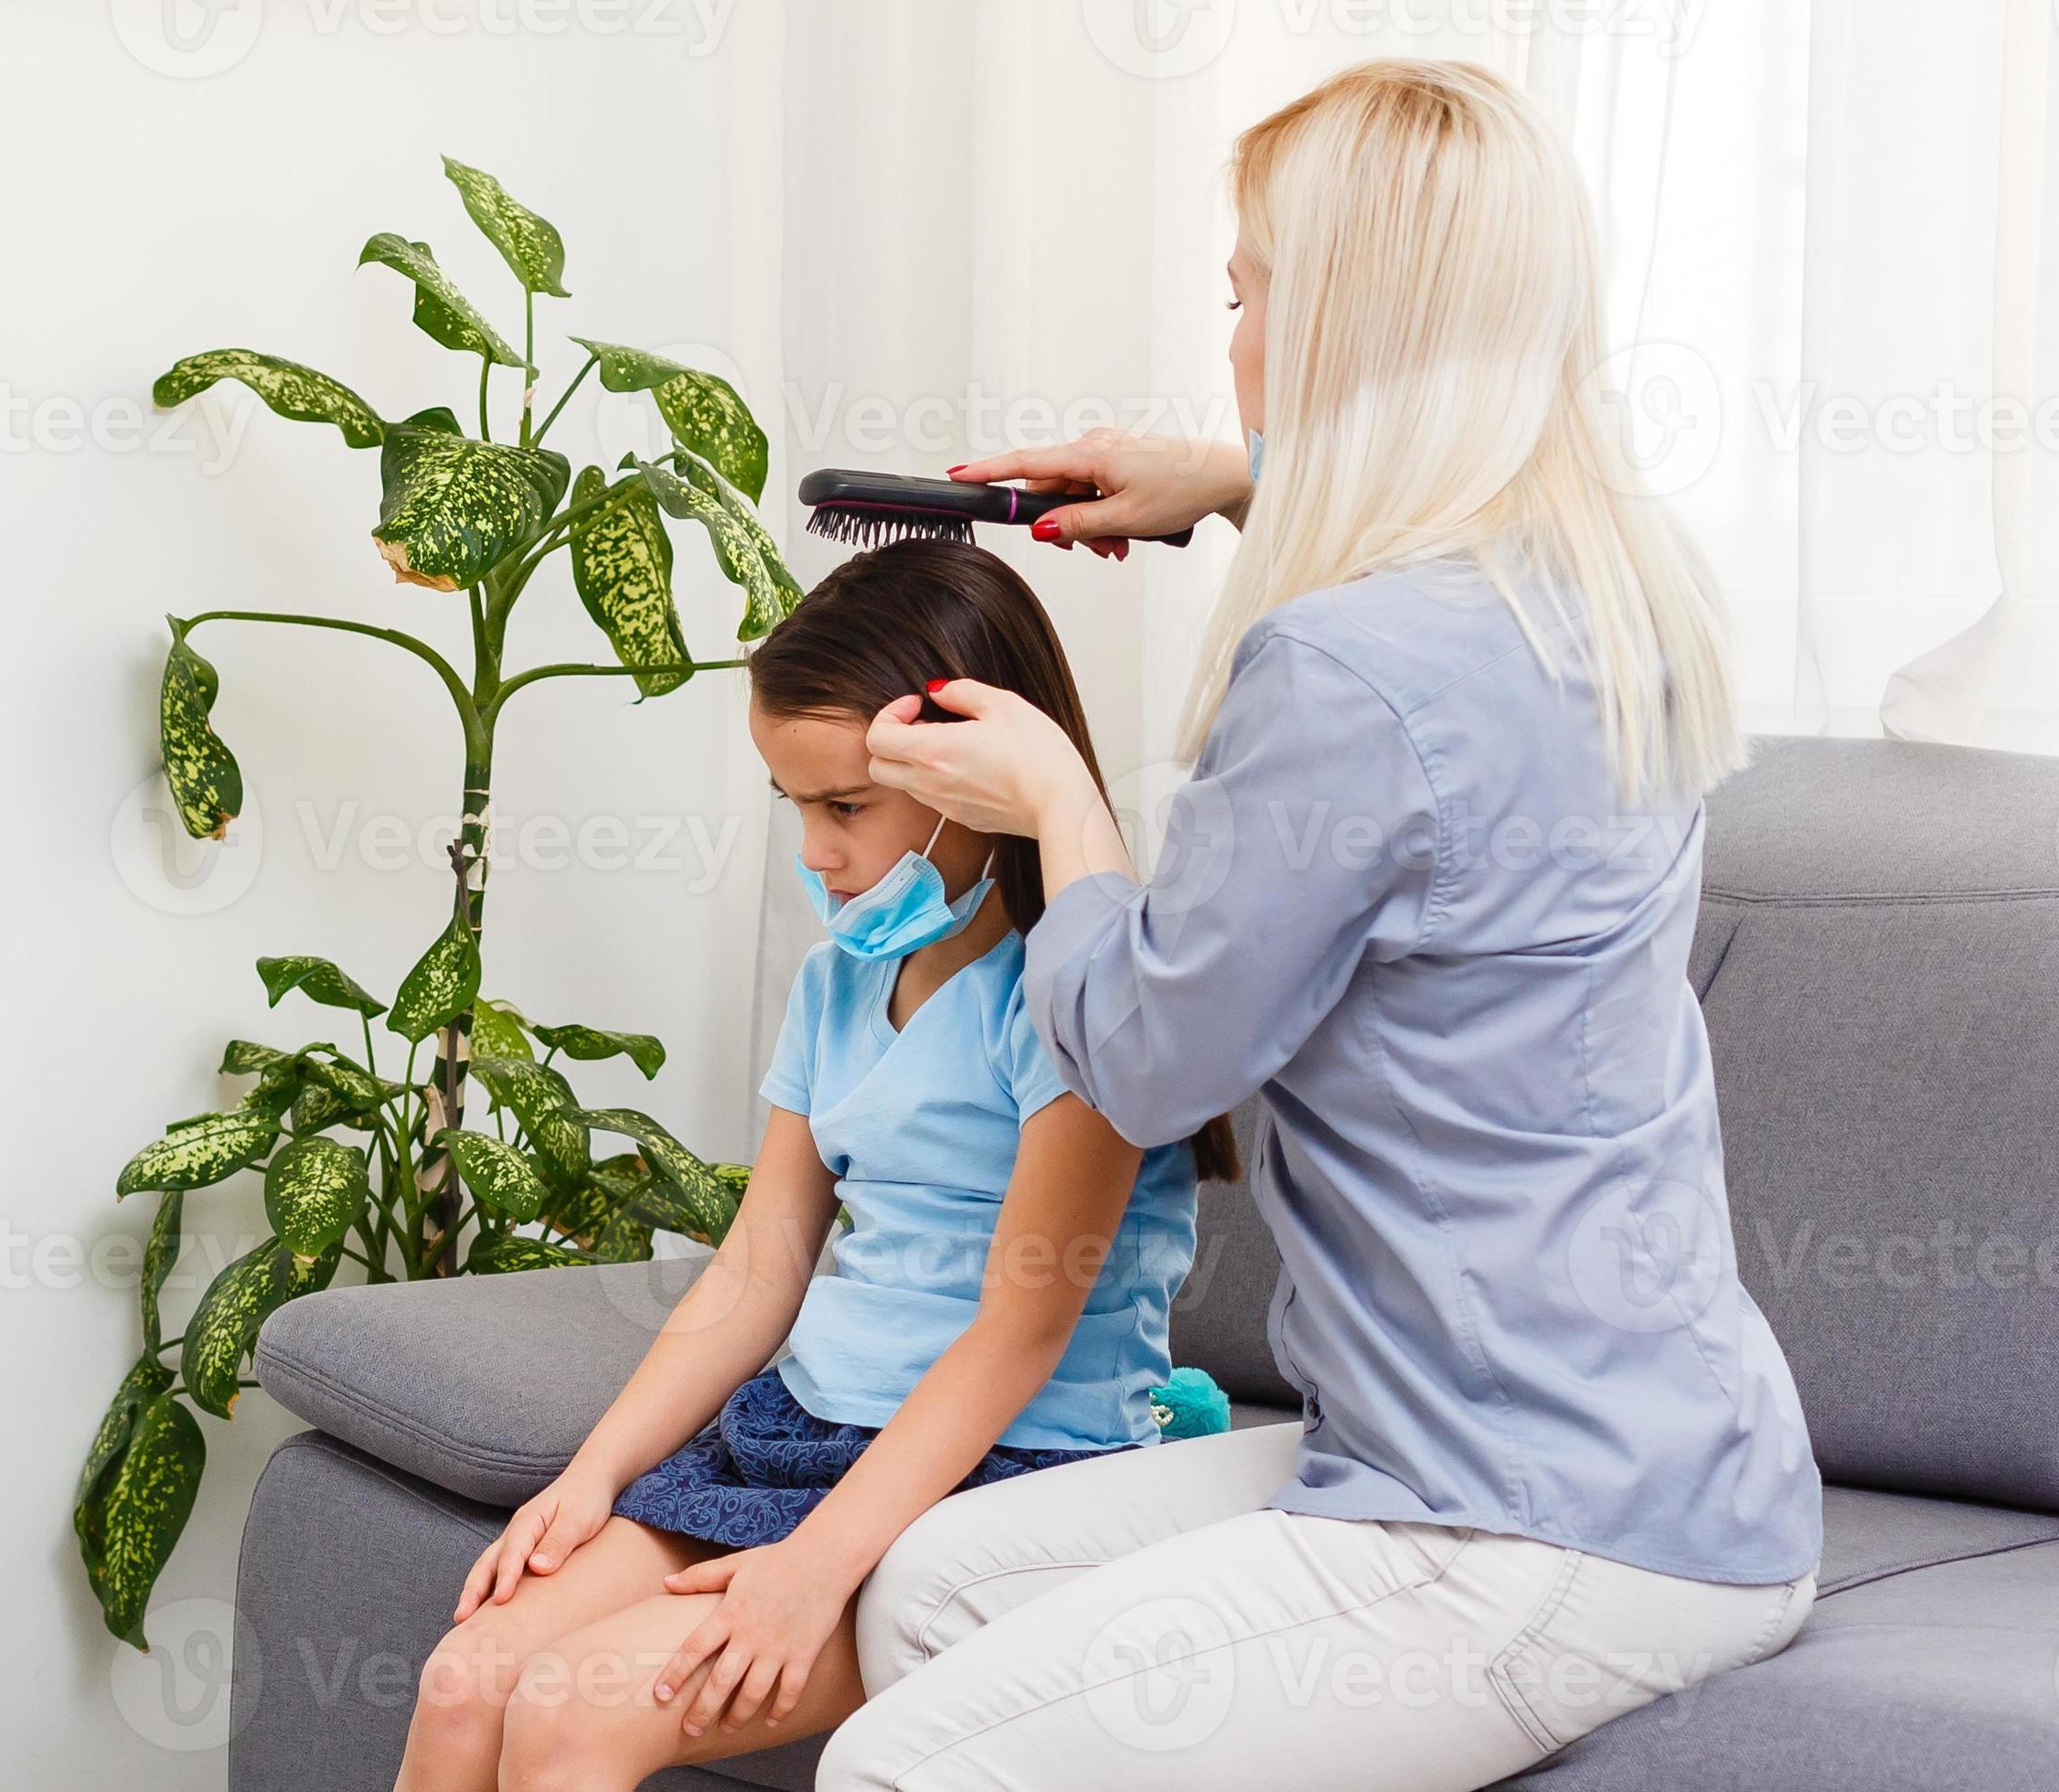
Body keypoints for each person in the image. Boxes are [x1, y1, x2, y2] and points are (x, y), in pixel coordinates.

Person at [818, 59, 1825, 1790]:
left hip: (1522, 1527)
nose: (1236, 332)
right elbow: (1446, 624)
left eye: (1245, 293)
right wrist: (1222, 479)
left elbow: (1144, 1062)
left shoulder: (1342, 667)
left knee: (902, 1767)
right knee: (934, 1593)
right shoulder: (1612, 585)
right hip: (1665, 1464)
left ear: (1340, 322)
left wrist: (1060, 811)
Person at [391, 539, 1226, 1792]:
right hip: (802, 1431)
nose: (815, 855)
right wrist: (593, 1475)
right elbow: (756, 1271)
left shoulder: (1086, 997)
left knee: (574, 1709)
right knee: (467, 1681)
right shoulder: (840, 979)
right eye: (795, 806)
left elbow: (1018, 1332)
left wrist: (818, 1566)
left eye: (846, 808)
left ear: (978, 777)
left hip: (990, 1478)